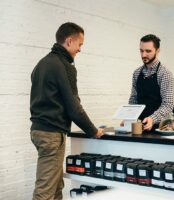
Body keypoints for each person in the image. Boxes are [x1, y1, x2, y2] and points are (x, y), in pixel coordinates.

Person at [30, 22, 104, 200]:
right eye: (80, 44)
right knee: (46, 190)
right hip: (52, 134)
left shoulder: (41, 64)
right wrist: (93, 131)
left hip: (38, 130)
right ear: (69, 41)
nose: (80, 49)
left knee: (56, 186)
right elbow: (74, 107)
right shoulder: (64, 66)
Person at [128, 34, 174, 131]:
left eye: (148, 51)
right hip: (140, 127)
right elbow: (133, 99)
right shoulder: (137, 73)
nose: (143, 55)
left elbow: (168, 104)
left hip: (162, 128)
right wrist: (128, 118)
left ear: (157, 51)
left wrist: (152, 119)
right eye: (141, 51)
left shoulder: (165, 73)